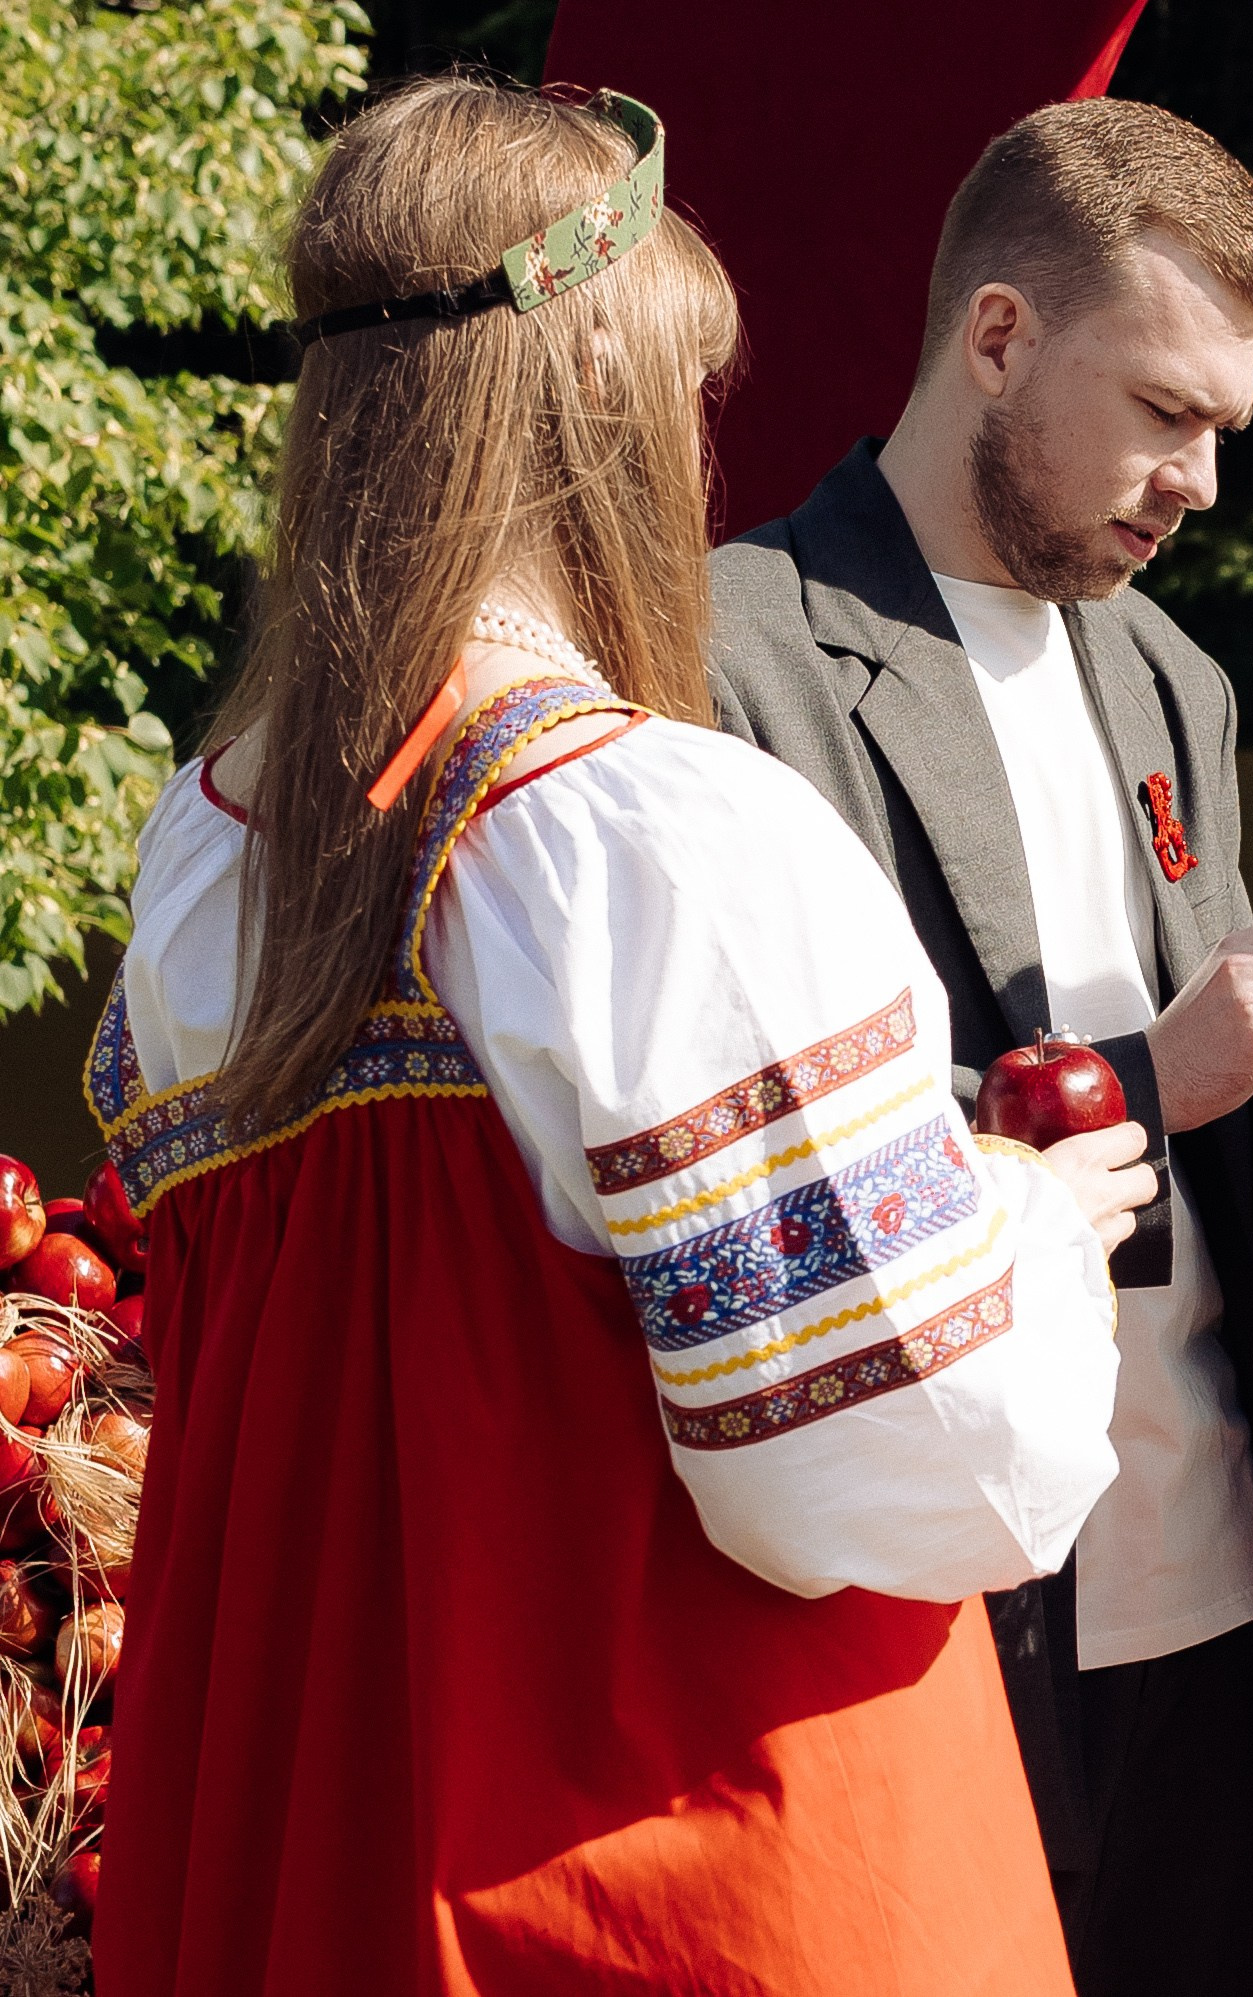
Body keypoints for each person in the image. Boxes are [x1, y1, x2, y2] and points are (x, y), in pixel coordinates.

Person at [87, 77, 1153, 1996]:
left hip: (311, 1855)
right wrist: (1036, 1240)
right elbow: (894, 1453)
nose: (692, 438)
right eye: (682, 385)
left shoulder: (206, 857)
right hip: (682, 1880)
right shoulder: (649, 836)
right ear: (596, 380)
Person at [707, 97, 1253, 1997]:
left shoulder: (1170, 673)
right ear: (996, 337)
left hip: (1218, 1587)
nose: (1204, 481)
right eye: (1165, 411)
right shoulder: (728, 650)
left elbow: (1205, 1112)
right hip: (934, 1622)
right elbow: (742, 1177)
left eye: (1225, 427)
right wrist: (1154, 1074)